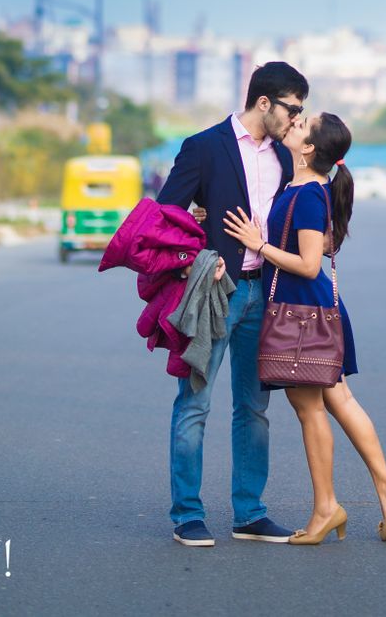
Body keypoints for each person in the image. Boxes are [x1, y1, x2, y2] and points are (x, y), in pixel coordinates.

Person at [223, 111, 386, 545]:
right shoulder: (302, 187)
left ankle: (327, 508)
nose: (294, 121)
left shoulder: (309, 194)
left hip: (302, 314)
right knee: (339, 400)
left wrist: (260, 245)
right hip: (312, 312)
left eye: (302, 122)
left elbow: (310, 265)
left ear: (309, 148)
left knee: (311, 407)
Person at [156, 60, 308, 548]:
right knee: (195, 402)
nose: (296, 119)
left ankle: (249, 513)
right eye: (292, 108)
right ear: (264, 102)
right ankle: (187, 515)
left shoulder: (285, 157)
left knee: (255, 407)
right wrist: (194, 261)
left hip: (265, 291)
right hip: (216, 293)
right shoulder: (204, 147)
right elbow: (165, 217)